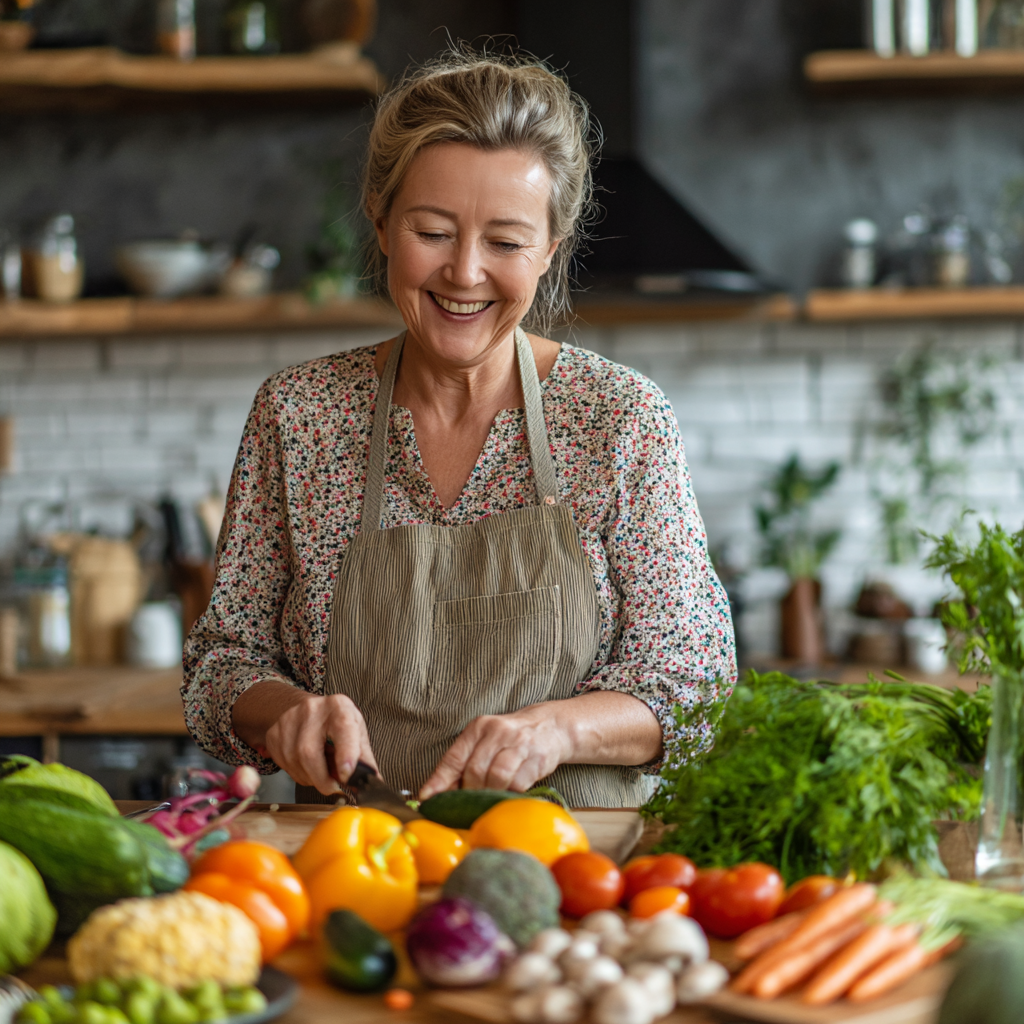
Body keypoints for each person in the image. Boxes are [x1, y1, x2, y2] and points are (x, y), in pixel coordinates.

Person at [182, 50, 736, 807]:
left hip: (575, 876)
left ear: (550, 250)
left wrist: (560, 731)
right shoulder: (300, 415)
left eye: (505, 242)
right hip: (358, 867)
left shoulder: (620, 419)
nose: (465, 272)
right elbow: (222, 661)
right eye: (434, 231)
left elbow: (694, 680)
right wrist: (289, 711)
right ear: (381, 224)